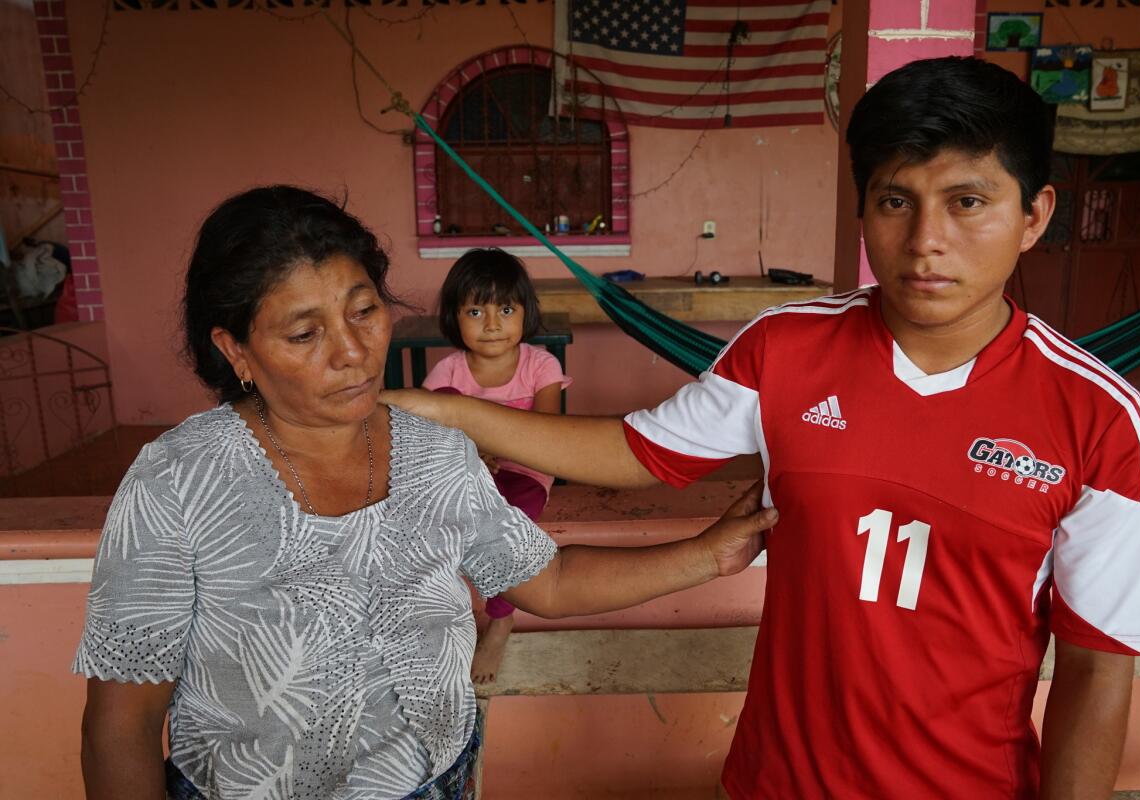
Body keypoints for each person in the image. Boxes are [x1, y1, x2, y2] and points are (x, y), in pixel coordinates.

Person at [383, 57, 1140, 799]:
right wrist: (444, 409)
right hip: (771, 781)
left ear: (1034, 214)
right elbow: (638, 450)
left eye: (968, 202)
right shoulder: (788, 349)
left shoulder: (1103, 424)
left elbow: (1095, 673)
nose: (927, 240)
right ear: (864, 209)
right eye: (896, 201)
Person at [73, 185, 777, 800]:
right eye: (303, 333)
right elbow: (122, 723)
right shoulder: (180, 481)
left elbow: (550, 580)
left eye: (363, 311)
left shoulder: (435, 453)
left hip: (437, 781)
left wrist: (705, 556)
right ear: (235, 351)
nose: (351, 352)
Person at [424, 248, 570, 684]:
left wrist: (491, 449)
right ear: (455, 316)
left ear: (525, 313)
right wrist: (472, 456)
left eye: (505, 309)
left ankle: (501, 615)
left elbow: (543, 434)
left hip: (524, 472)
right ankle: (439, 610)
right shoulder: (448, 371)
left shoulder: (540, 365)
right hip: (466, 472)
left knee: (509, 514)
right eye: (475, 310)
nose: (491, 324)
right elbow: (433, 435)